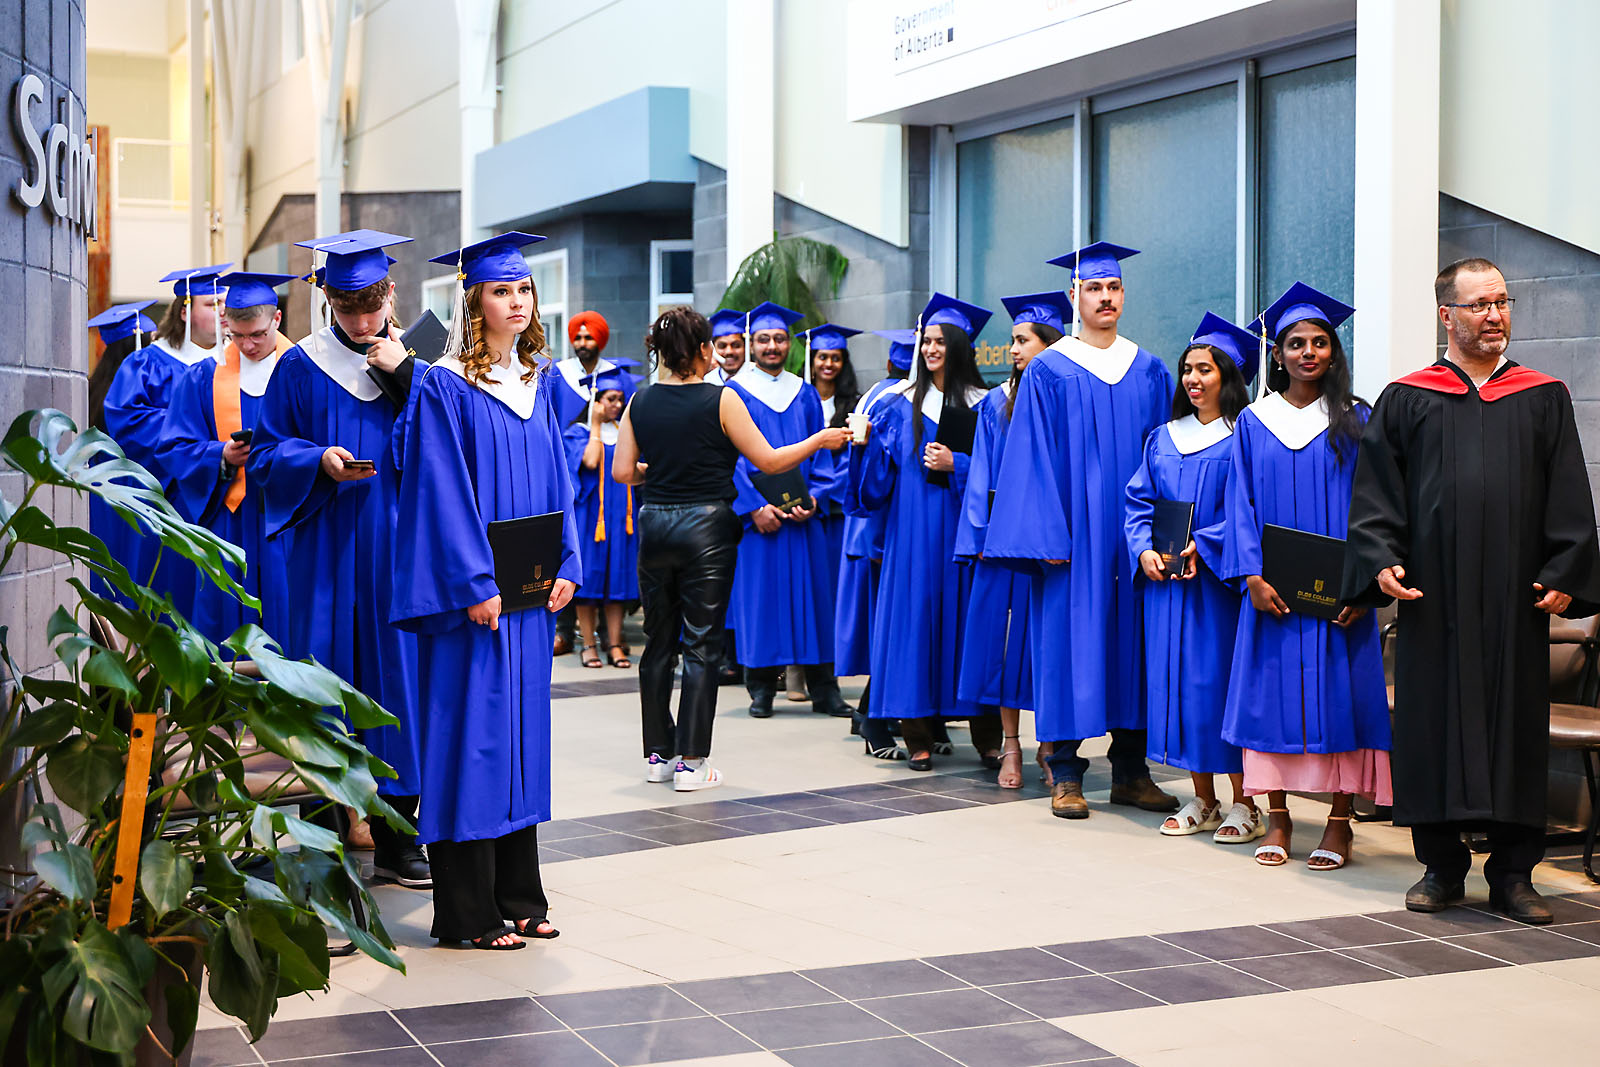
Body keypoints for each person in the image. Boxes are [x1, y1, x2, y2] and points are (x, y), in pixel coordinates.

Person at [1344, 258, 1600, 921]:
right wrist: (1380, 559)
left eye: (1502, 302)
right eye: (1480, 304)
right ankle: (1441, 867)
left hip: (1519, 599)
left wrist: (1567, 571)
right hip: (1436, 598)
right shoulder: (1408, 397)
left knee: (1515, 728)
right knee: (1434, 726)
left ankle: (1515, 873)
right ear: (1447, 316)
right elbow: (1376, 496)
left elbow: (1571, 492)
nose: (1495, 315)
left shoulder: (1543, 395)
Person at [248, 229, 429, 889]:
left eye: (372, 303)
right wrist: (314, 459)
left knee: (398, 689)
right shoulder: (301, 366)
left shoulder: (414, 361)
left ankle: (397, 838)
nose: (362, 319)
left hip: (396, 550)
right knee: (323, 687)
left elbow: (449, 443)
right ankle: (324, 838)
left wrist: (403, 374)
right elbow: (267, 454)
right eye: (349, 306)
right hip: (323, 553)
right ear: (324, 297)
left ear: (391, 292)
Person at [612, 306, 850, 789]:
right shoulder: (722, 399)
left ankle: (658, 755)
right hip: (706, 529)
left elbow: (621, 472)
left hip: (655, 524)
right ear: (702, 350)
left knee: (659, 644)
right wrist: (820, 439)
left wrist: (658, 473)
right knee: (701, 644)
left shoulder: (640, 402)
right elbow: (767, 458)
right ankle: (691, 763)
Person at [985, 242, 1178, 819]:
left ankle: (1130, 772)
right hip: (1072, 537)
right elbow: (1030, 461)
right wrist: (1047, 537)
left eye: (1114, 288)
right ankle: (1065, 772)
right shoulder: (1048, 369)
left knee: (1135, 646)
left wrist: (1166, 536)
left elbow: (1165, 454)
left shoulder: (1148, 368)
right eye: (1094, 289)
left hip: (1133, 534)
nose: (1106, 297)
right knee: (1066, 644)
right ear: (1075, 297)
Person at [1219, 282, 1390, 870]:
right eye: (1296, 343)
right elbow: (1236, 504)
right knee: (1269, 703)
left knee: (1341, 702)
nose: (1309, 352)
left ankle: (1340, 822)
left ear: (1334, 353)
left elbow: (1378, 510)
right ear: (1278, 353)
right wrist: (1250, 577)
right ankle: (1279, 815)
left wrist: (1365, 588)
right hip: (1273, 597)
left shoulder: (1356, 420)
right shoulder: (1252, 422)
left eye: (1320, 343)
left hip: (1339, 597)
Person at [853, 293, 1004, 771]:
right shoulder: (899, 405)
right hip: (912, 537)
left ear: (959, 346)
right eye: (927, 341)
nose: (931, 349)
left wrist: (956, 464)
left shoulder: (986, 406)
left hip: (965, 534)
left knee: (971, 630)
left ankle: (987, 738)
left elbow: (999, 473)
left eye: (940, 341)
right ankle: (916, 734)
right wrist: (865, 447)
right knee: (912, 629)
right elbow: (875, 488)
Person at [1125, 313, 1260, 842]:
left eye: (1205, 369)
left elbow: (1253, 508)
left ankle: (1246, 802)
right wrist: (1142, 552)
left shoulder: (1245, 435)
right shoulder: (1162, 438)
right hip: (1167, 587)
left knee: (1216, 687)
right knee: (1176, 687)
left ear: (1228, 375)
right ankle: (1202, 798)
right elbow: (1138, 502)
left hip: (1215, 589)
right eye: (1187, 369)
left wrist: (1206, 544)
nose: (1193, 379)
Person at [955, 294, 1067, 788]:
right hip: (1004, 545)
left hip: (1049, 546)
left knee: (1044, 645)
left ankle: (1050, 746)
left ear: (1048, 346)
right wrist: (979, 535)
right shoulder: (995, 404)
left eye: (1023, 340)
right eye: (1014, 339)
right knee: (1003, 648)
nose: (1014, 348)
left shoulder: (1067, 395)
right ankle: (1011, 747)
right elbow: (980, 475)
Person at [726, 302, 852, 719]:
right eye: (764, 339)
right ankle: (760, 688)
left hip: (803, 520)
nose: (772, 346)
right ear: (750, 343)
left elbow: (822, 454)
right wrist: (754, 507)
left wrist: (814, 496)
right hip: (760, 523)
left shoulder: (804, 393)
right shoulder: (733, 393)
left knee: (817, 601)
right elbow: (729, 460)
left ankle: (825, 688)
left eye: (779, 338)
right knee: (762, 603)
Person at [159, 272, 296, 643]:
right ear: (226, 324)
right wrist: (220, 454)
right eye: (237, 335)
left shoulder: (304, 370)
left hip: (289, 518)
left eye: (258, 335)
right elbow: (174, 446)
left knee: (289, 616)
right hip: (230, 519)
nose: (248, 345)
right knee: (226, 620)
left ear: (277, 320)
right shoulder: (204, 376)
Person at [103, 264, 231, 606]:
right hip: (171, 499)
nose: (223, 312)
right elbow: (128, 421)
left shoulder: (236, 362)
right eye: (212, 304)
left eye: (225, 303)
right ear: (186, 310)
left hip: (229, 495)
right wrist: (196, 441)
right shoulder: (148, 363)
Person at [836, 331, 914, 761]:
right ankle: (875, 716)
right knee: (891, 625)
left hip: (877, 528)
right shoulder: (890, 401)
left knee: (895, 626)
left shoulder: (876, 395)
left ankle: (875, 711)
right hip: (884, 529)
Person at [800, 323, 863, 694]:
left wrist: (822, 492)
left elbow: (853, 460)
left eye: (835, 358)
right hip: (803, 506)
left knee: (831, 593)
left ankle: (827, 675)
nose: (828, 364)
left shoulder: (853, 405)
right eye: (822, 357)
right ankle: (794, 675)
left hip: (836, 510)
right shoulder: (798, 398)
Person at [564, 367, 642, 668]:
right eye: (610, 399)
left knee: (617, 584)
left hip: (622, 520)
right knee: (590, 584)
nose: (617, 405)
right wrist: (595, 424)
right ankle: (589, 645)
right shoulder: (578, 433)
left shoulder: (626, 432)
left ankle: (616, 644)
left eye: (620, 399)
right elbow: (591, 460)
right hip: (590, 522)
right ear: (595, 400)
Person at [85, 302, 158, 599]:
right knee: (132, 567)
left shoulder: (92, 386)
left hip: (98, 491)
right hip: (131, 490)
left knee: (104, 567)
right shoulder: (133, 394)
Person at [707, 308, 747, 385]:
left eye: (736, 345)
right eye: (722, 346)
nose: (729, 351)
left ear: (746, 347)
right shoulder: (707, 381)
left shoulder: (759, 379)